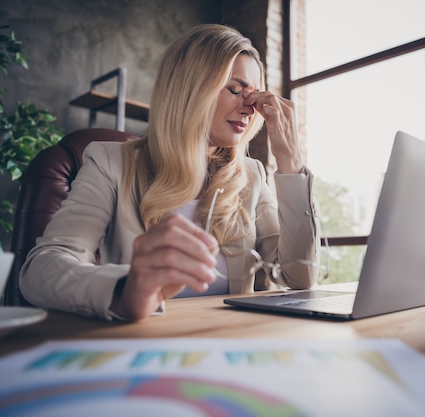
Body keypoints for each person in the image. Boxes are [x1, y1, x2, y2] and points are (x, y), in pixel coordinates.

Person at [20, 24, 320, 321]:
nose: (249, 108)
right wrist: (127, 290)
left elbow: (299, 276)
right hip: (142, 345)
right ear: (191, 88)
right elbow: (41, 269)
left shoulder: (251, 175)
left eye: (253, 96)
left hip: (227, 341)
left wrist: (289, 160)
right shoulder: (110, 161)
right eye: (235, 90)